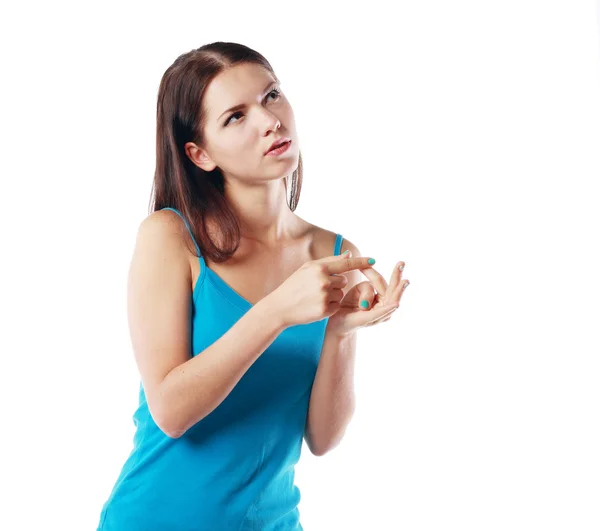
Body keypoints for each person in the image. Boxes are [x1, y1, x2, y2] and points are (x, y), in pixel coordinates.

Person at [96, 41, 409, 531]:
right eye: (234, 117)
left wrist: (341, 332)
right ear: (199, 154)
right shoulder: (170, 237)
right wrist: (277, 310)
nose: (270, 122)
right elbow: (171, 410)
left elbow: (323, 439)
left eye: (271, 96)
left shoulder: (333, 254)